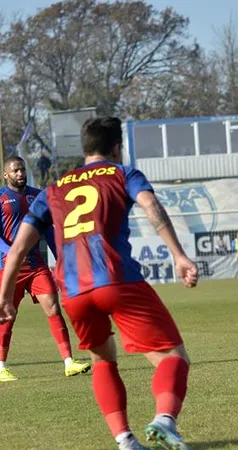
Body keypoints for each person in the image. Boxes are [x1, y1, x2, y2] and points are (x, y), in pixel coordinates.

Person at [0, 117, 198, 450]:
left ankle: (125, 441)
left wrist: (4, 295)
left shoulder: (55, 187)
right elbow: (151, 206)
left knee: (104, 360)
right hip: (117, 280)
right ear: (116, 147)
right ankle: (164, 421)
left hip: (75, 292)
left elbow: (19, 246)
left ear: (86, 147)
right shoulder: (123, 173)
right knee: (173, 358)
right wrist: (178, 255)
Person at [0, 156, 90, 382]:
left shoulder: (38, 195)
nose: (20, 173)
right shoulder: (0, 198)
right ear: (5, 175)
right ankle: (1, 367)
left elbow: (49, 230)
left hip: (35, 265)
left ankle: (69, 362)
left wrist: (60, 258)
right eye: (15, 171)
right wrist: (7, 252)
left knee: (53, 307)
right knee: (7, 316)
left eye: (22, 169)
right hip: (9, 268)